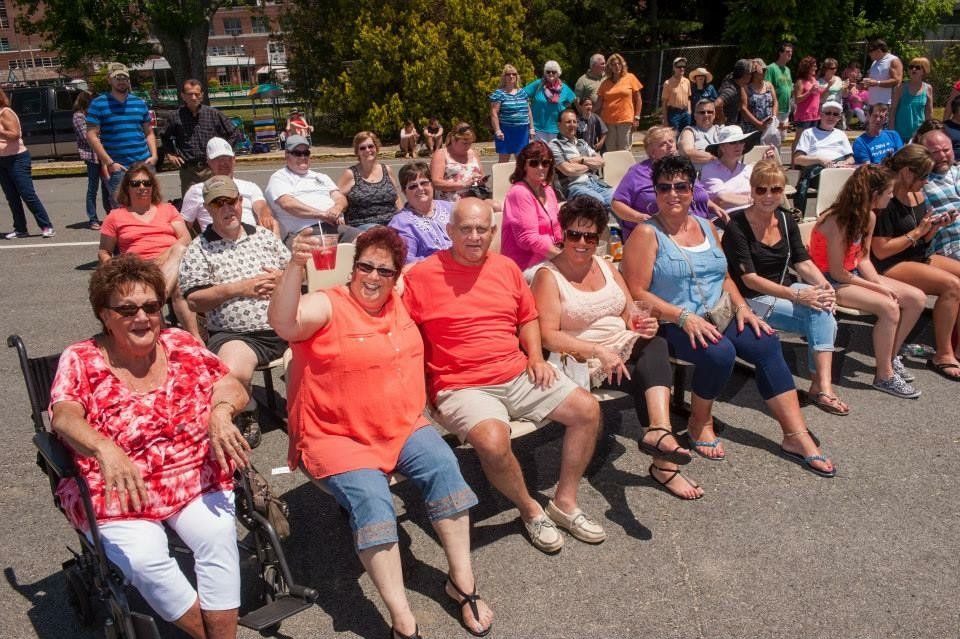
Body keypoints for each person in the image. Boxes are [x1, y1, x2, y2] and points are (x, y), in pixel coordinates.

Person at [269, 226, 494, 639]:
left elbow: (452, 280)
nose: (372, 278)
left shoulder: (401, 301)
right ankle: (402, 619)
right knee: (373, 501)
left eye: (384, 271)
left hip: (398, 423)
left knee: (445, 466)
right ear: (352, 270)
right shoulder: (328, 305)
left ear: (396, 276)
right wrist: (294, 267)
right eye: (365, 267)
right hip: (335, 435)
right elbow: (286, 322)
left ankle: (462, 580)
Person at [49, 254, 250, 639]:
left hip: (192, 476)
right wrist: (105, 448)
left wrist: (221, 412)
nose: (142, 317)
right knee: (145, 559)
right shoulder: (80, 359)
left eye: (151, 306)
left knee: (217, 538)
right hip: (119, 490)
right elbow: (64, 417)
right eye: (126, 309)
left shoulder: (180, 343)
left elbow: (229, 384)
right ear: (104, 314)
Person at [403, 198, 605, 553]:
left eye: (482, 229)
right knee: (494, 441)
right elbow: (397, 333)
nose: (474, 236)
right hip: (460, 384)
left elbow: (527, 317)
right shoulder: (420, 277)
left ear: (493, 232)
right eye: (465, 228)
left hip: (516, 370)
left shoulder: (506, 268)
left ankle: (565, 502)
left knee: (587, 410)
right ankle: (530, 510)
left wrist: (536, 356)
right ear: (449, 231)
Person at [621, 155, 835, 477]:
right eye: (664, 187)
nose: (673, 194)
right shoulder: (646, 234)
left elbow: (724, 277)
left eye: (681, 186)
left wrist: (744, 308)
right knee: (720, 353)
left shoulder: (707, 226)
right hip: (672, 321)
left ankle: (795, 434)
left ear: (692, 190)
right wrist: (682, 317)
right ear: (655, 191)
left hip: (718, 311)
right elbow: (636, 291)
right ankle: (699, 421)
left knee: (765, 341)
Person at [531, 195, 702, 499]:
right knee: (646, 368)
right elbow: (547, 336)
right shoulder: (548, 276)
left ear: (598, 238)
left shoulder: (605, 264)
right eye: (574, 234)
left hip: (623, 344)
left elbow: (628, 312)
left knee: (654, 342)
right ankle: (663, 456)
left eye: (590, 236)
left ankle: (659, 433)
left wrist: (640, 323)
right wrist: (597, 351)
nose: (582, 242)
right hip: (582, 358)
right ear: (563, 234)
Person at [720, 160, 847, 415]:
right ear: (752, 190)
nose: (768, 196)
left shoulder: (786, 220)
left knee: (823, 312)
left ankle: (821, 386)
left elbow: (802, 260)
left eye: (776, 190)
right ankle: (821, 387)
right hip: (749, 299)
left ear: (783, 191)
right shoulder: (736, 225)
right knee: (820, 314)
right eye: (761, 190)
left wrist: (823, 286)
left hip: (781, 293)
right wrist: (798, 294)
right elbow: (749, 280)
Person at [179, 175, 291, 445]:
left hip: (285, 324)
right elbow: (195, 299)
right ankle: (247, 407)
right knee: (234, 371)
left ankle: (315, 408)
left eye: (231, 201)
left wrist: (284, 280)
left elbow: (298, 273)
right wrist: (240, 288)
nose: (227, 208)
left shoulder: (264, 237)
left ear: (241, 202)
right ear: (207, 209)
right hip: (238, 335)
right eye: (218, 204)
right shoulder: (199, 248)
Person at [807, 163, 925, 398]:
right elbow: (839, 273)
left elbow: (863, 259)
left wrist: (881, 285)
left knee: (916, 299)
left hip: (852, 275)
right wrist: (878, 289)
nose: (892, 197)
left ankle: (890, 356)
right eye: (889, 192)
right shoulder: (838, 221)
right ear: (874, 195)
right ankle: (884, 376)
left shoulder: (868, 216)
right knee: (889, 307)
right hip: (829, 281)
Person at [872, 145, 960, 380]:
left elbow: (921, 239)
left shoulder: (916, 193)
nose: (926, 181)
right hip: (889, 263)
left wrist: (934, 227)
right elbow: (880, 251)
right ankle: (943, 353)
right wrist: (919, 232)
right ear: (907, 172)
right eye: (923, 176)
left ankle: (957, 344)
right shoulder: (886, 198)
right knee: (952, 285)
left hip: (914, 254)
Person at [98, 162, 200, 338]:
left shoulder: (167, 209)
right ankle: (164, 330)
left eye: (147, 183)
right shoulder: (115, 216)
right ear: (126, 188)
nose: (142, 187)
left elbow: (185, 238)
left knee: (181, 254)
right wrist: (116, 271)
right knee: (177, 279)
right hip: (139, 268)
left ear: (153, 186)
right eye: (135, 184)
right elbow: (104, 251)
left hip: (172, 261)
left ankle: (191, 336)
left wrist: (165, 256)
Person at [612, 125, 726, 241]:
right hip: (656, 235)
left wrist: (714, 207)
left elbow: (697, 193)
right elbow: (617, 204)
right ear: (652, 152)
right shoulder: (638, 173)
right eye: (662, 144)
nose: (670, 145)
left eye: (671, 141)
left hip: (699, 227)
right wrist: (640, 217)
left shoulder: (682, 167)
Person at [264, 135, 360, 246]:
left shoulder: (321, 177)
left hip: (334, 227)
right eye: (297, 153)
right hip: (304, 232)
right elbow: (288, 204)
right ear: (287, 155)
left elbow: (340, 198)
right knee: (326, 253)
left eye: (306, 153)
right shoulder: (279, 178)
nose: (303, 157)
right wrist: (322, 215)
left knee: (367, 240)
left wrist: (337, 209)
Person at [86, 62, 157, 208]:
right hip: (119, 167)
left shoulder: (139, 103)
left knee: (148, 207)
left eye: (124, 77)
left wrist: (154, 155)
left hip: (143, 164)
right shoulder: (98, 104)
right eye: (117, 78)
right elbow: (91, 135)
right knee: (122, 210)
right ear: (109, 80)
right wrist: (109, 163)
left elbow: (148, 132)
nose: (121, 81)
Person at [180, 137, 278, 234]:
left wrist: (265, 215)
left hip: (250, 239)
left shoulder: (250, 187)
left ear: (234, 159)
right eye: (217, 159)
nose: (223, 163)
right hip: (216, 243)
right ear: (209, 162)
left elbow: (261, 206)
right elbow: (184, 225)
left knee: (274, 224)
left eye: (228, 158)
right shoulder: (197, 191)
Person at [161, 79, 239, 196]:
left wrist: (224, 153)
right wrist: (170, 154)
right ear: (183, 96)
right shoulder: (175, 117)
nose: (193, 97)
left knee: (217, 200)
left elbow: (234, 133)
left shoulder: (213, 114)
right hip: (189, 171)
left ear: (202, 95)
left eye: (197, 94)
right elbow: (165, 136)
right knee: (192, 205)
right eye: (189, 94)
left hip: (212, 169)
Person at [0, 87, 54, 239]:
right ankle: (20, 229)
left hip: (17, 158)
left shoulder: (5, 113)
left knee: (27, 194)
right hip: (1, 160)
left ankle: (46, 226)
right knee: (11, 197)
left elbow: (15, 134)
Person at [501, 141, 562, 273]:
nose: (541, 167)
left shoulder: (548, 189)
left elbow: (556, 228)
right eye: (534, 163)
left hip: (548, 256)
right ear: (524, 166)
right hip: (525, 264)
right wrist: (562, 257)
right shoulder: (519, 192)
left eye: (545, 163)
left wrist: (564, 248)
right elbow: (528, 239)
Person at [792, 101, 855, 213]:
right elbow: (798, 159)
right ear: (821, 115)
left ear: (839, 118)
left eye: (835, 114)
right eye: (828, 113)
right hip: (818, 173)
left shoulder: (841, 134)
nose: (831, 116)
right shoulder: (809, 133)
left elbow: (851, 158)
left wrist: (844, 163)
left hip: (839, 169)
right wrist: (820, 160)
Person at [700, 125, 776, 216]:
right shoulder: (709, 169)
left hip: (754, 216)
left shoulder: (749, 169)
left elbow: (766, 191)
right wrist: (754, 200)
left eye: (741, 142)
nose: (738, 145)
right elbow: (722, 199)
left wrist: (767, 166)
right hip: (724, 220)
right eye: (733, 142)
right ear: (722, 147)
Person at [388, 162, 453, 264]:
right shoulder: (401, 223)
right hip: (430, 272)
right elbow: (406, 260)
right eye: (413, 186)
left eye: (424, 183)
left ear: (432, 185)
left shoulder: (450, 208)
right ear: (404, 192)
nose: (420, 188)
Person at [549, 109, 614, 207]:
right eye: (568, 122)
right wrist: (591, 165)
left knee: (619, 201)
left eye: (574, 122)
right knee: (598, 202)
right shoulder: (554, 145)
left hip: (595, 182)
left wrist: (581, 160)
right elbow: (568, 170)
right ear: (559, 125)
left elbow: (601, 161)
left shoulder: (582, 143)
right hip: (574, 186)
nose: (572, 125)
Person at [337, 131, 401, 229]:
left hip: (392, 222)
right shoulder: (350, 174)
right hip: (363, 224)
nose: (367, 150)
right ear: (357, 152)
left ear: (376, 148)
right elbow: (337, 196)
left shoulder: (387, 170)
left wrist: (403, 216)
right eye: (362, 148)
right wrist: (340, 211)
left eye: (371, 146)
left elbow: (397, 197)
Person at [921, 129, 960, 260]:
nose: (942, 156)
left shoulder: (958, 171)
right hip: (951, 245)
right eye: (935, 152)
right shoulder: (921, 183)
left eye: (946, 150)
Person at [73, 90, 110, 230]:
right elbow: (87, 136)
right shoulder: (78, 116)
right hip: (91, 156)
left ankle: (111, 214)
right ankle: (93, 218)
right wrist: (98, 133)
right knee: (92, 188)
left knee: (108, 186)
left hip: (104, 154)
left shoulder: (95, 115)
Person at [596, 53, 643, 151]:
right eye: (613, 64)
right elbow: (598, 104)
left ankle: (626, 167)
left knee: (624, 150)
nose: (617, 66)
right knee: (611, 151)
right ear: (609, 67)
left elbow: (638, 99)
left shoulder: (630, 77)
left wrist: (637, 117)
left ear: (622, 65)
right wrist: (586, 113)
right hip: (608, 122)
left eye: (619, 64)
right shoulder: (605, 83)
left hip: (625, 120)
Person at [430, 122, 486, 202]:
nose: (468, 146)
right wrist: (463, 184)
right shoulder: (441, 154)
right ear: (453, 140)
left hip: (475, 196)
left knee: (496, 206)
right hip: (451, 201)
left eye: (470, 143)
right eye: (464, 143)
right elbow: (436, 183)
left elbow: (481, 176)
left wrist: (479, 181)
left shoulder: (473, 153)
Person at [489, 64, 535, 162]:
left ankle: (519, 178)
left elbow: (528, 111)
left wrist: (531, 128)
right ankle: (501, 178)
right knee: (503, 161)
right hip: (506, 131)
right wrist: (497, 130)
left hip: (522, 131)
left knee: (522, 161)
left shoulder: (522, 92)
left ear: (517, 76)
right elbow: (494, 113)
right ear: (504, 77)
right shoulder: (499, 93)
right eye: (508, 74)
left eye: (514, 74)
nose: (511, 76)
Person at [524, 61, 577, 142]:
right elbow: (522, 94)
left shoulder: (564, 88)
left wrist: (563, 107)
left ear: (558, 73)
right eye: (548, 72)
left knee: (555, 154)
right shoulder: (538, 84)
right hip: (537, 129)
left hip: (557, 130)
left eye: (554, 72)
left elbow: (573, 99)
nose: (551, 74)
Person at [890, 58, 933, 145]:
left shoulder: (928, 88)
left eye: (917, 67)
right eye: (911, 67)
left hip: (918, 133)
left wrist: (928, 131)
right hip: (900, 133)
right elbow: (892, 110)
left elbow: (929, 111)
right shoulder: (900, 88)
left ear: (924, 71)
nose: (913, 69)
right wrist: (891, 132)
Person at [678, 99, 720, 171]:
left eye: (709, 112)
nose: (706, 115)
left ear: (714, 115)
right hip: (699, 177)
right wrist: (716, 158)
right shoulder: (689, 131)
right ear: (695, 116)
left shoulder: (721, 130)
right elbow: (687, 152)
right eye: (702, 112)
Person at [740, 59, 778, 136]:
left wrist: (774, 117)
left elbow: (775, 102)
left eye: (765, 70)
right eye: (762, 70)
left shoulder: (769, 85)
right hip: (751, 128)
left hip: (768, 127)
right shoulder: (745, 88)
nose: (764, 72)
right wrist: (758, 124)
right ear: (753, 73)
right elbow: (743, 109)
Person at [764, 42, 794, 137]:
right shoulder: (771, 68)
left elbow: (789, 88)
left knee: (782, 137)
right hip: (775, 110)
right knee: (772, 137)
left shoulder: (788, 70)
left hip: (785, 110)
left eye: (791, 52)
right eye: (787, 51)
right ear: (780, 53)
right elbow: (766, 87)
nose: (790, 54)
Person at [792, 56, 821, 147]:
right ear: (807, 67)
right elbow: (797, 99)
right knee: (800, 139)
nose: (816, 68)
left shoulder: (814, 79)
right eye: (814, 66)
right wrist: (810, 91)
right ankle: (794, 160)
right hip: (804, 116)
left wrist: (828, 88)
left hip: (815, 115)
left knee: (811, 140)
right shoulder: (800, 82)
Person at [865, 39, 903, 107]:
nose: (869, 54)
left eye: (870, 52)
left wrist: (877, 83)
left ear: (878, 51)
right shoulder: (875, 62)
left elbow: (896, 81)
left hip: (886, 103)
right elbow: (872, 80)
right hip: (872, 103)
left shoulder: (893, 60)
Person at [715, 59, 752, 126]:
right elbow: (717, 104)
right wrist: (722, 118)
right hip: (727, 128)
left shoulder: (731, 78)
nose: (751, 75)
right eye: (750, 73)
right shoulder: (731, 90)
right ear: (745, 75)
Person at [661, 57, 691, 131]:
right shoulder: (667, 83)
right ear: (674, 68)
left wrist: (689, 112)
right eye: (679, 66)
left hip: (685, 113)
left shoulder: (687, 81)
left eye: (684, 66)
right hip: (673, 114)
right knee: (674, 136)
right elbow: (664, 103)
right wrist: (665, 120)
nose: (682, 69)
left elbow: (689, 98)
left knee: (685, 135)